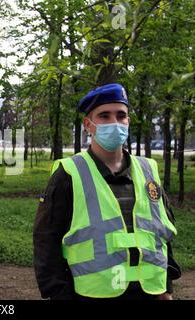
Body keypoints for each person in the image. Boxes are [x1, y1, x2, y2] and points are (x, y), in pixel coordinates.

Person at [33, 83, 181, 300]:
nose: (115, 123)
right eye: (104, 116)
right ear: (88, 125)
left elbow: (161, 233)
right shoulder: (69, 173)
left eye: (121, 115)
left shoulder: (148, 170)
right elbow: (46, 240)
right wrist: (59, 294)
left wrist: (166, 287)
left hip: (148, 293)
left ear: (128, 121)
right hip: (92, 294)